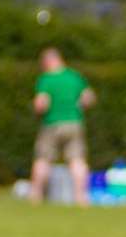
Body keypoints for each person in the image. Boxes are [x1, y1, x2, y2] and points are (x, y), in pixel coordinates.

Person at [29, 47, 96, 206]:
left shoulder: (46, 79)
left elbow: (41, 103)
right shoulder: (74, 77)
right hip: (74, 123)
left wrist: (36, 109)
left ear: (47, 62)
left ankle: (36, 196)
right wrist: (77, 106)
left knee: (43, 159)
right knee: (77, 160)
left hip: (52, 123)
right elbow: (89, 98)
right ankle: (81, 198)